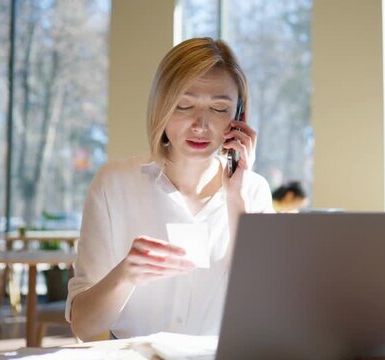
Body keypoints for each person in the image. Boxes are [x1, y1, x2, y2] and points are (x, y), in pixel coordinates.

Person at [66, 37, 274, 341]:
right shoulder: (114, 184)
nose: (201, 125)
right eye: (184, 105)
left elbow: (263, 310)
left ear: (238, 116)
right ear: (162, 107)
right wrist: (125, 275)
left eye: (219, 108)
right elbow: (84, 327)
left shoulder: (253, 191)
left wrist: (237, 200)